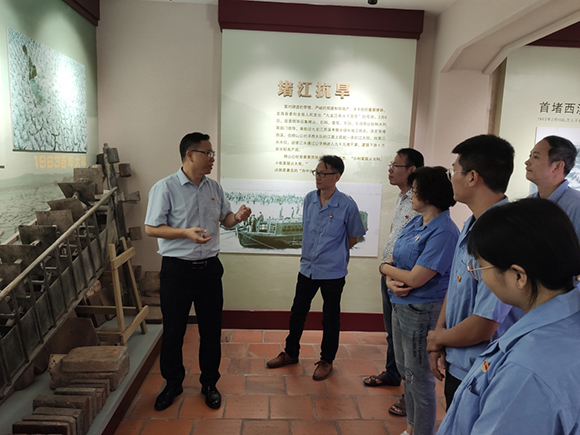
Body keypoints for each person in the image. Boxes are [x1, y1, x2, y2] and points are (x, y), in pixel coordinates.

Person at [438, 198, 580, 435]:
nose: (481, 277)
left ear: (518, 276)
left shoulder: (526, 372)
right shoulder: (565, 324)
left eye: (480, 268)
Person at [144, 132, 251, 411]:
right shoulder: (165, 188)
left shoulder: (214, 188)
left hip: (209, 271)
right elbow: (151, 228)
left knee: (211, 330)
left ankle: (209, 383)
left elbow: (225, 220)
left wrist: (237, 217)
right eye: (208, 153)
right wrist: (184, 233)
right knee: (174, 331)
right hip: (177, 270)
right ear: (190, 155)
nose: (212, 158)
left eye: (212, 153)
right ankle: (173, 383)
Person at [426, 134, 515, 409]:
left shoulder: (502, 235)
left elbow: (484, 325)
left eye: (453, 171)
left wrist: (438, 338)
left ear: (472, 177)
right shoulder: (472, 223)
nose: (450, 178)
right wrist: (440, 337)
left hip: (484, 371)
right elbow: (456, 286)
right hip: (459, 360)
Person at [266, 155, 366, 380]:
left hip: (333, 271)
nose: (318, 177)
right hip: (308, 268)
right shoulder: (309, 199)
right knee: (297, 313)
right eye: (316, 173)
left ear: (337, 176)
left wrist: (333, 254)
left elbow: (353, 238)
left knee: (330, 318)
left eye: (323, 173)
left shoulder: (347, 204)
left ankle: (326, 359)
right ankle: (291, 352)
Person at [379, 167, 459, 435]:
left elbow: (416, 278)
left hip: (422, 310)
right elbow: (393, 258)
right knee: (406, 372)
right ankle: (411, 428)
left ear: (430, 193)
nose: (411, 195)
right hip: (400, 305)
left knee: (419, 378)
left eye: (415, 190)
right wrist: (389, 277)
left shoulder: (445, 231)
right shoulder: (416, 222)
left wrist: (384, 270)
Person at [363, 148, 424, 420]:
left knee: (407, 339)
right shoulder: (402, 198)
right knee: (392, 331)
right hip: (390, 274)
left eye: (395, 165)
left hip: (404, 279)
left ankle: (410, 395)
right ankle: (392, 373)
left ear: (412, 170)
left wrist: (392, 273)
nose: (390, 169)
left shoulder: (420, 202)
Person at [525, 135, 580, 239]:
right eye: (530, 156)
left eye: (535, 157)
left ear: (557, 166)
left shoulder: (576, 206)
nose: (527, 162)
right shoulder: (528, 203)